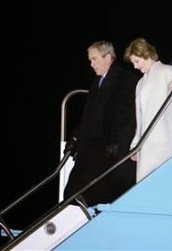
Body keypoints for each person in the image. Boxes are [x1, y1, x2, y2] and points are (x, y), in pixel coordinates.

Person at [63, 40, 139, 207]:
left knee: (96, 190)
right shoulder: (97, 83)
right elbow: (88, 117)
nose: (91, 64)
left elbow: (128, 116)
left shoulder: (126, 81)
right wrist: (76, 140)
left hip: (110, 149)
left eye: (94, 59)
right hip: (93, 146)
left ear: (108, 57)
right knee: (73, 190)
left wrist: (116, 141)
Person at [123, 37, 172, 182]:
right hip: (147, 144)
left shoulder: (167, 71)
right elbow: (140, 117)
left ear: (146, 55)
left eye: (136, 61)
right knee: (146, 184)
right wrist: (135, 144)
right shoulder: (140, 84)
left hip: (167, 142)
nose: (135, 67)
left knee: (167, 182)